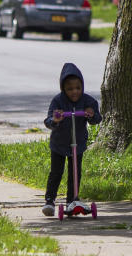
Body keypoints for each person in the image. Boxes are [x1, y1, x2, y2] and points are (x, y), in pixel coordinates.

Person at [42, 63, 102, 216]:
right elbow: (48, 121)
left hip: (78, 143)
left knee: (75, 172)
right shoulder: (58, 101)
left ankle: (72, 200)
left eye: (78, 88)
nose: (74, 92)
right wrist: (56, 119)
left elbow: (97, 119)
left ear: (82, 87)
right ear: (63, 89)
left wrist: (91, 114)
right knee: (56, 172)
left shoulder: (88, 101)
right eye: (70, 89)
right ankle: (50, 200)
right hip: (59, 143)